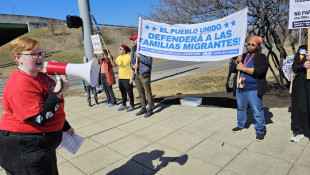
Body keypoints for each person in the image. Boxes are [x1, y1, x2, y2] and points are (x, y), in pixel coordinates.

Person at [0, 37, 75, 175]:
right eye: (33, 54)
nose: (39, 57)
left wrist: (65, 126)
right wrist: (58, 92)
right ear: (17, 58)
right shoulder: (20, 83)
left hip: (41, 145)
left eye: (40, 53)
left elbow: (51, 105)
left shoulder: (40, 76)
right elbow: (39, 118)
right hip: (25, 148)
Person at [231, 36, 269, 141]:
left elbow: (260, 71)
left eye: (253, 44)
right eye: (248, 44)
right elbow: (233, 70)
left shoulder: (261, 57)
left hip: (253, 87)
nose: (250, 46)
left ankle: (260, 130)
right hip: (241, 85)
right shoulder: (242, 56)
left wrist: (243, 68)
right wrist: (236, 62)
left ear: (258, 46)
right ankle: (241, 125)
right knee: (241, 107)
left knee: (256, 109)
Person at [130, 34, 154, 118]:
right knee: (140, 92)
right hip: (136, 73)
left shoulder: (146, 49)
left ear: (139, 40)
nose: (132, 41)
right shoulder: (133, 50)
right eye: (132, 40)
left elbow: (149, 62)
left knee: (147, 91)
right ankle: (143, 106)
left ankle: (150, 108)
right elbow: (131, 62)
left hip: (144, 73)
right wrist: (133, 66)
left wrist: (140, 56)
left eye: (134, 39)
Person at [290, 44, 310, 143]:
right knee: (300, 106)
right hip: (301, 83)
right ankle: (299, 130)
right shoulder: (303, 50)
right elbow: (294, 67)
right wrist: (303, 65)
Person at [111, 45, 134, 112]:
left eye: (120, 49)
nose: (119, 50)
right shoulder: (118, 57)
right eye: (119, 48)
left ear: (124, 50)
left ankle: (132, 105)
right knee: (123, 92)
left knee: (129, 92)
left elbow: (132, 68)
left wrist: (131, 78)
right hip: (121, 78)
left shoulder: (129, 57)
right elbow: (114, 65)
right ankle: (124, 104)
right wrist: (110, 59)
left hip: (127, 78)